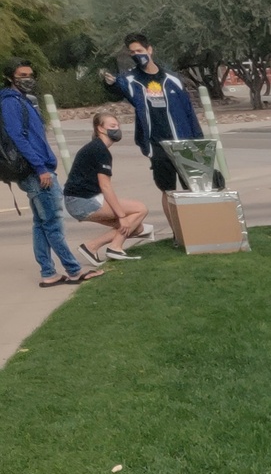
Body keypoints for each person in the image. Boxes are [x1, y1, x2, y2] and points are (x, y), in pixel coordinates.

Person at [3, 60, 98, 287]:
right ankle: (74, 270)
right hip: (37, 172)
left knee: (41, 224)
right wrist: (40, 168)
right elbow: (19, 138)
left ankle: (48, 273)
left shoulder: (22, 101)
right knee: (54, 223)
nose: (28, 79)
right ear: (10, 78)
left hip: (38, 169)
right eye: (22, 75)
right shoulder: (10, 103)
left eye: (30, 74)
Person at [104, 34, 203, 231]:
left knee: (194, 188)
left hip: (183, 141)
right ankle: (178, 232)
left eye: (139, 51)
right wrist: (109, 83)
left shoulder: (172, 78)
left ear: (150, 50)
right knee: (168, 190)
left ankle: (197, 230)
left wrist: (198, 141)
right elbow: (116, 88)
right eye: (132, 52)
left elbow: (188, 111)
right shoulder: (130, 80)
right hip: (157, 144)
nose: (136, 55)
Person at [64, 110, 150, 262]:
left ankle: (90, 247)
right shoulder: (99, 151)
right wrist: (122, 216)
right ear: (100, 128)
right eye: (112, 125)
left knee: (137, 227)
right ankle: (115, 248)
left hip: (78, 200)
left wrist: (123, 219)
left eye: (117, 125)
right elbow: (106, 187)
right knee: (140, 209)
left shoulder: (97, 148)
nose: (116, 129)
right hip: (83, 201)